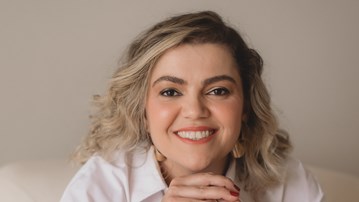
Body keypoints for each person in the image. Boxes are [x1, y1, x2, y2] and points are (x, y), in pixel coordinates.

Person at [60, 11, 324, 202]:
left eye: (218, 91)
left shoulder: (288, 183)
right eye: (170, 91)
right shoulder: (100, 185)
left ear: (245, 107)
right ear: (142, 111)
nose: (195, 110)